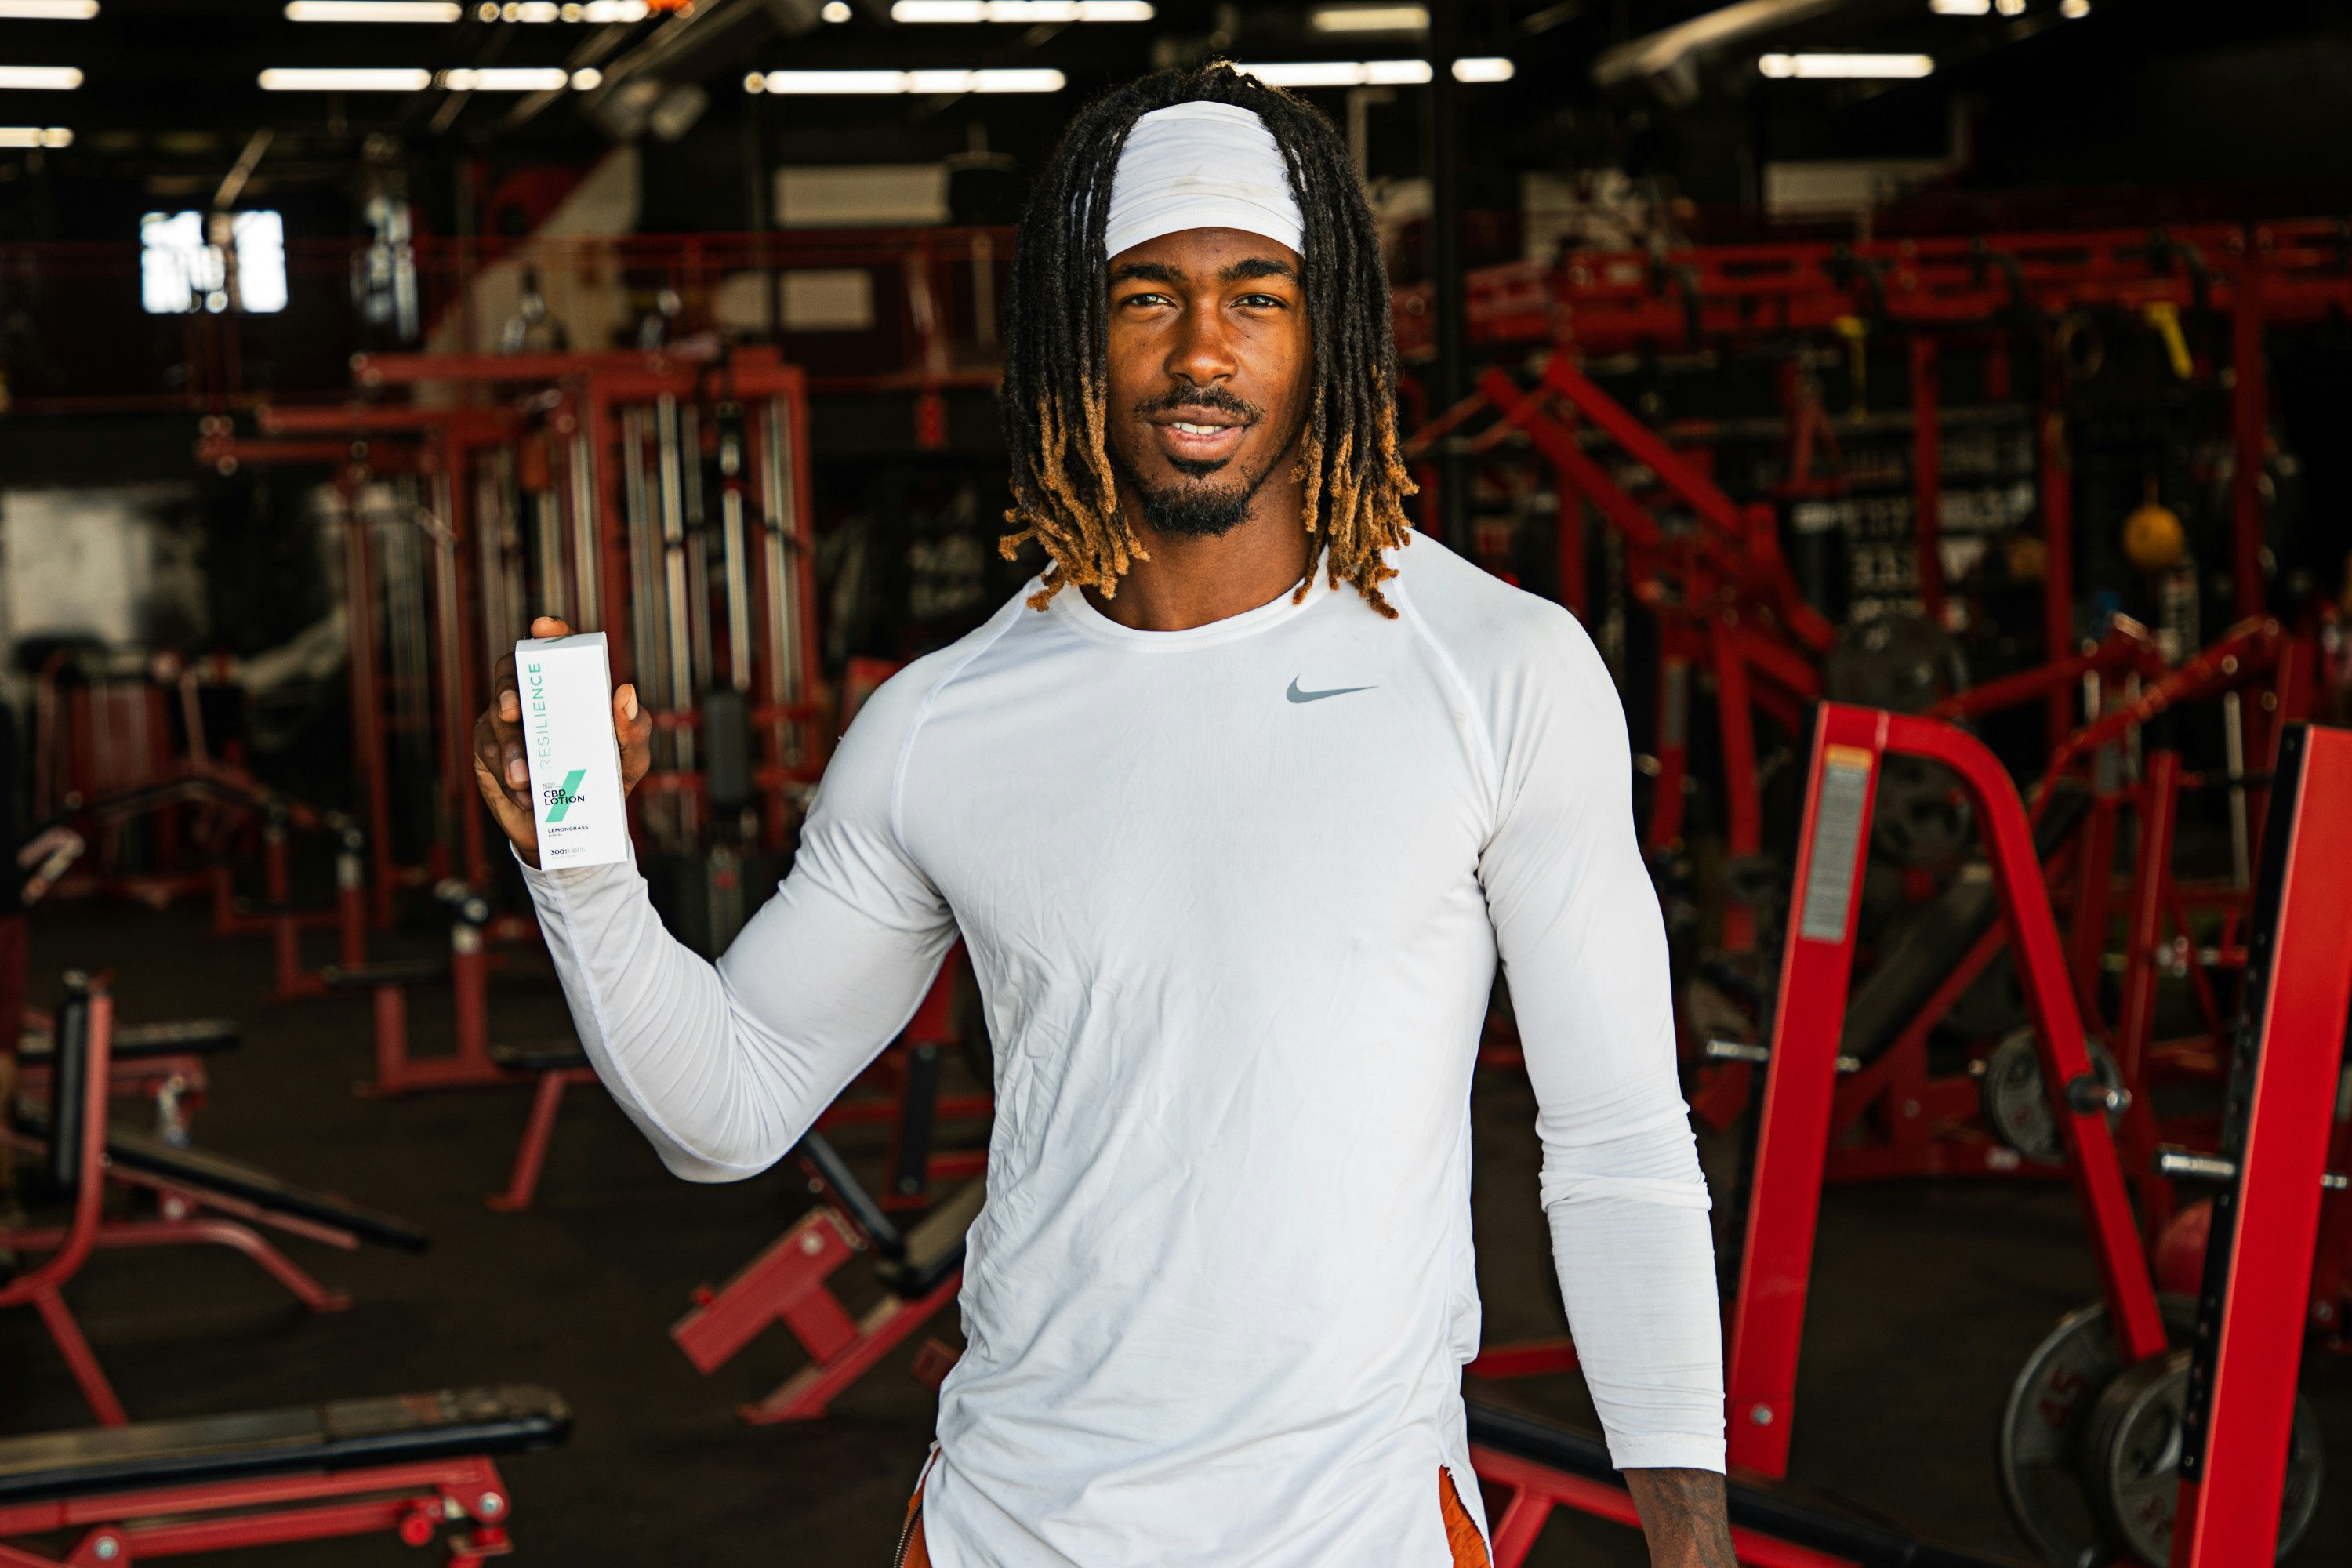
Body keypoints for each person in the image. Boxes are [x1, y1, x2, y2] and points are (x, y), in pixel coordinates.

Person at [474, 64, 1731, 1568]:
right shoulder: (942, 725)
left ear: (1325, 334)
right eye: (1149, 297)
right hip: (1016, 1526)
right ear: (1083, 333)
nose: (1204, 348)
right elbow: (727, 1115)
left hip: (1362, 1532)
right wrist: (584, 867)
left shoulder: (1496, 670)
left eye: (1257, 295)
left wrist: (1691, 1544)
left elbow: (1616, 1146)